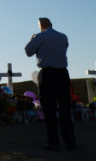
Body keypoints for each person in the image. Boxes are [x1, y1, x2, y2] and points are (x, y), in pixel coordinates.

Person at [25, 18, 76, 151]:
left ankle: (53, 142)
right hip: (62, 73)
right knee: (64, 107)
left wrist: (32, 39)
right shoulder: (63, 37)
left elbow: (28, 52)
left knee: (49, 109)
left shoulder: (40, 36)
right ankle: (70, 141)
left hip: (47, 74)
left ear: (41, 25)